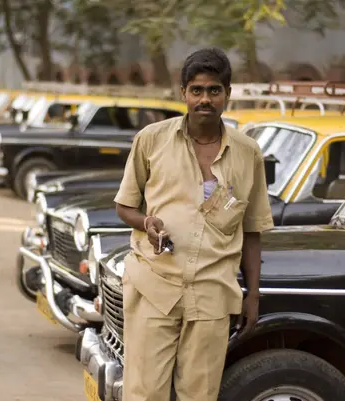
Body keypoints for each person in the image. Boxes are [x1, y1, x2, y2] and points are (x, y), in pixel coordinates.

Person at [114, 48, 274, 401]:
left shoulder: (248, 153)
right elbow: (124, 206)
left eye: (214, 90)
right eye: (197, 90)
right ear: (183, 93)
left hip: (213, 294)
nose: (205, 99)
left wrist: (253, 297)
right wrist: (147, 222)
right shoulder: (151, 139)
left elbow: (252, 230)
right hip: (154, 285)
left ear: (227, 95)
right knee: (143, 393)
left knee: (199, 394)